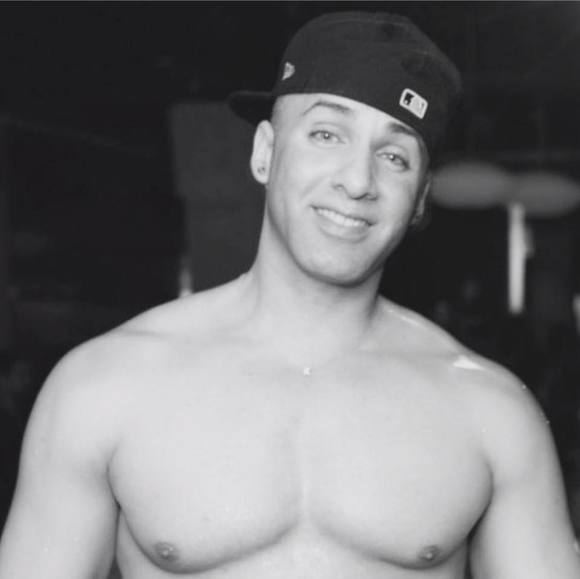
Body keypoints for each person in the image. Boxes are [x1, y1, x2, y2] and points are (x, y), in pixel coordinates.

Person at [0, 11, 579, 579]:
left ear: (421, 198)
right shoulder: (101, 388)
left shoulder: (492, 415)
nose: (358, 181)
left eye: (394, 156)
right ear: (264, 152)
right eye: (326, 135)